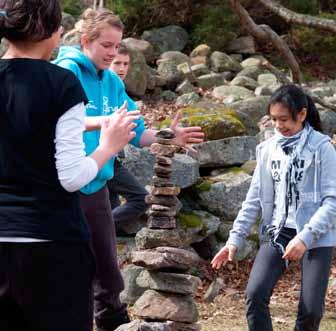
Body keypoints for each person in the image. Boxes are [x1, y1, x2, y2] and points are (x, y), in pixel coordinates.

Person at [54, 8, 204, 331]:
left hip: (97, 190)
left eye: (117, 45)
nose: (112, 53)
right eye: (106, 45)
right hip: (64, 190)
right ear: (85, 41)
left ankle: (113, 324)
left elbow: (136, 134)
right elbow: (57, 120)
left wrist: (168, 136)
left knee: (108, 271)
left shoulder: (111, 81)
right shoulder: (66, 72)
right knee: (72, 271)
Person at [0, 1, 139, 331]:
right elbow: (72, 177)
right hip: (51, 245)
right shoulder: (61, 83)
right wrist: (109, 146)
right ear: (51, 31)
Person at [211, 84, 336, 331]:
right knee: (255, 294)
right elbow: (254, 198)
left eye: (284, 119)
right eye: (274, 119)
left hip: (315, 235)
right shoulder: (268, 149)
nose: (278, 125)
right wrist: (233, 240)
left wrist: (305, 238)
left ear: (302, 114)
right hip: (277, 231)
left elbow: (332, 202)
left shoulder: (323, 148)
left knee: (310, 311)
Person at [107, 43, 148, 235]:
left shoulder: (122, 94)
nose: (122, 68)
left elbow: (140, 133)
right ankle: (98, 231)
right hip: (92, 162)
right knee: (140, 198)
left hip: (110, 160)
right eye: (117, 63)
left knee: (109, 211)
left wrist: (168, 135)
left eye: (125, 64)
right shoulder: (92, 86)